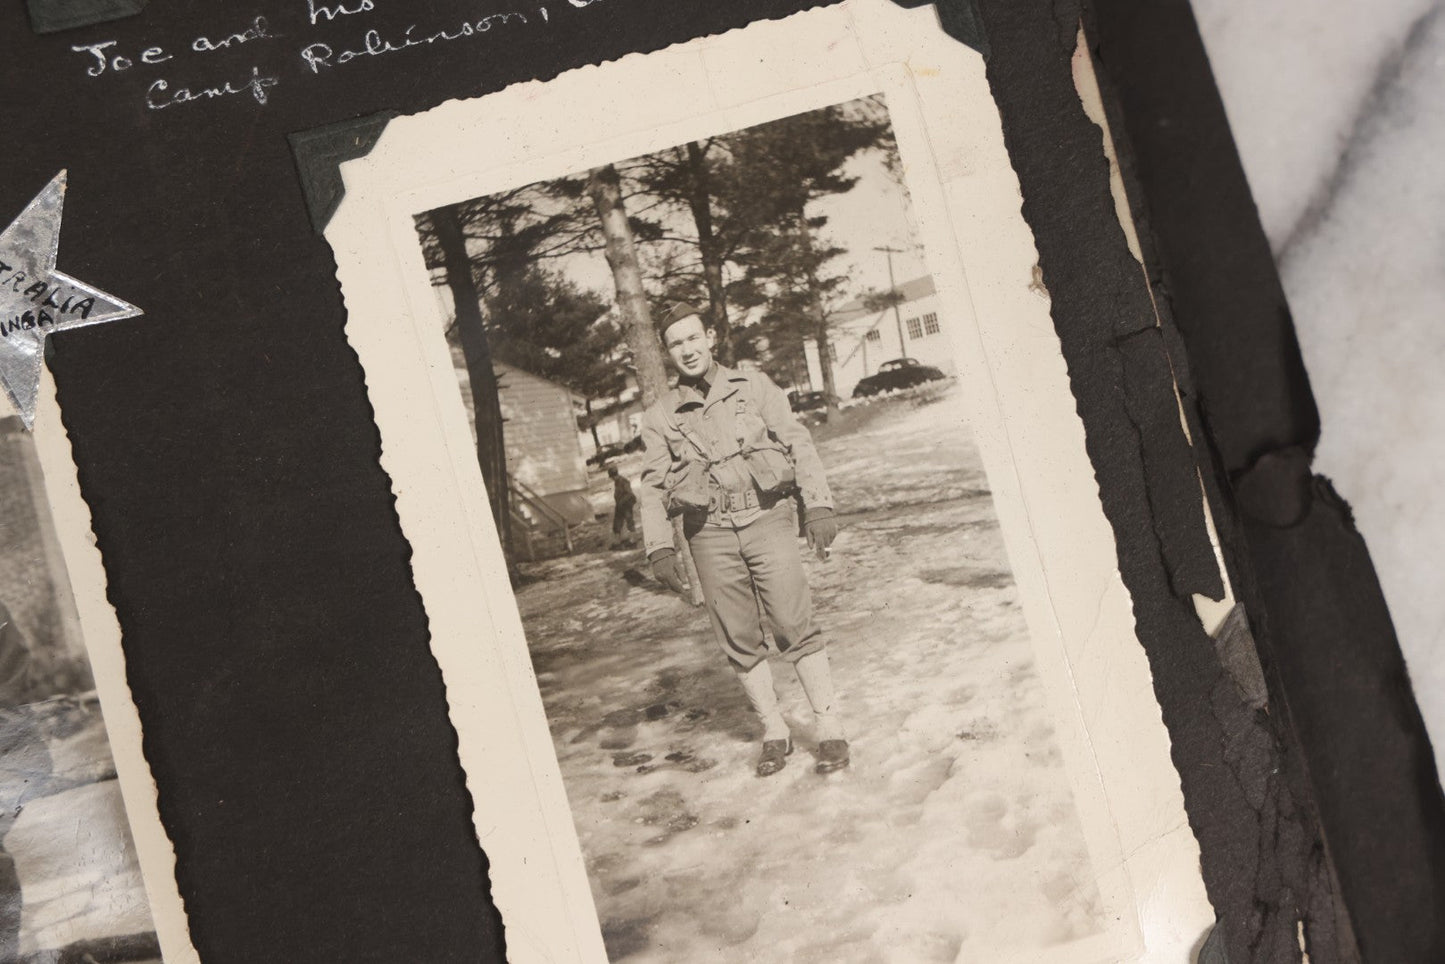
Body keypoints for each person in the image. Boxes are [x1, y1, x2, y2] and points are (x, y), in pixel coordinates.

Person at [638, 303, 847, 777]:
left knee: (794, 621)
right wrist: (660, 547)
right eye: (676, 344)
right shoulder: (659, 416)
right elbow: (651, 486)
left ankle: (830, 728)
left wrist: (817, 503)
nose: (687, 350)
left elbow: (797, 440)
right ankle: (774, 731)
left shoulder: (753, 385)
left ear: (709, 337)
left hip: (767, 517)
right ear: (668, 353)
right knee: (737, 634)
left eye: (694, 338)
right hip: (707, 532)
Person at [608, 465, 638, 548]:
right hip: (620, 505)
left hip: (626, 505)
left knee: (629, 522)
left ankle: (633, 541)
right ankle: (618, 542)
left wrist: (622, 501)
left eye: (613, 477)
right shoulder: (617, 482)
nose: (613, 479)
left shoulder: (624, 481)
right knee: (617, 523)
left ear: (615, 475)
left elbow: (629, 494)